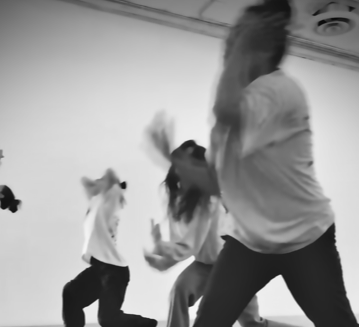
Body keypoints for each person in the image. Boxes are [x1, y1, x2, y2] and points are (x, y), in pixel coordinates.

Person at [183, 1, 358, 326]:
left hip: (305, 239)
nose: (229, 41)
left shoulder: (278, 91)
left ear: (257, 47)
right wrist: (182, 165)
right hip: (248, 243)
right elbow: (219, 183)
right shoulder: (231, 117)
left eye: (238, 35)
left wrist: (240, 48)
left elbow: (226, 110)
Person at [143, 135, 302, 327]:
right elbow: (181, 243)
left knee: (252, 324)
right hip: (204, 265)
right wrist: (162, 259)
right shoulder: (177, 201)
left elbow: (190, 245)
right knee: (180, 291)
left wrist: (161, 251)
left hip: (232, 267)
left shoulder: (208, 200)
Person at [62, 168, 157, 327]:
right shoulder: (95, 204)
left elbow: (112, 182)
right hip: (99, 268)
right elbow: (86, 183)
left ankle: (147, 325)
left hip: (114, 272)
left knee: (108, 318)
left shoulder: (108, 204)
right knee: (71, 294)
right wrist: (95, 184)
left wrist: (110, 181)